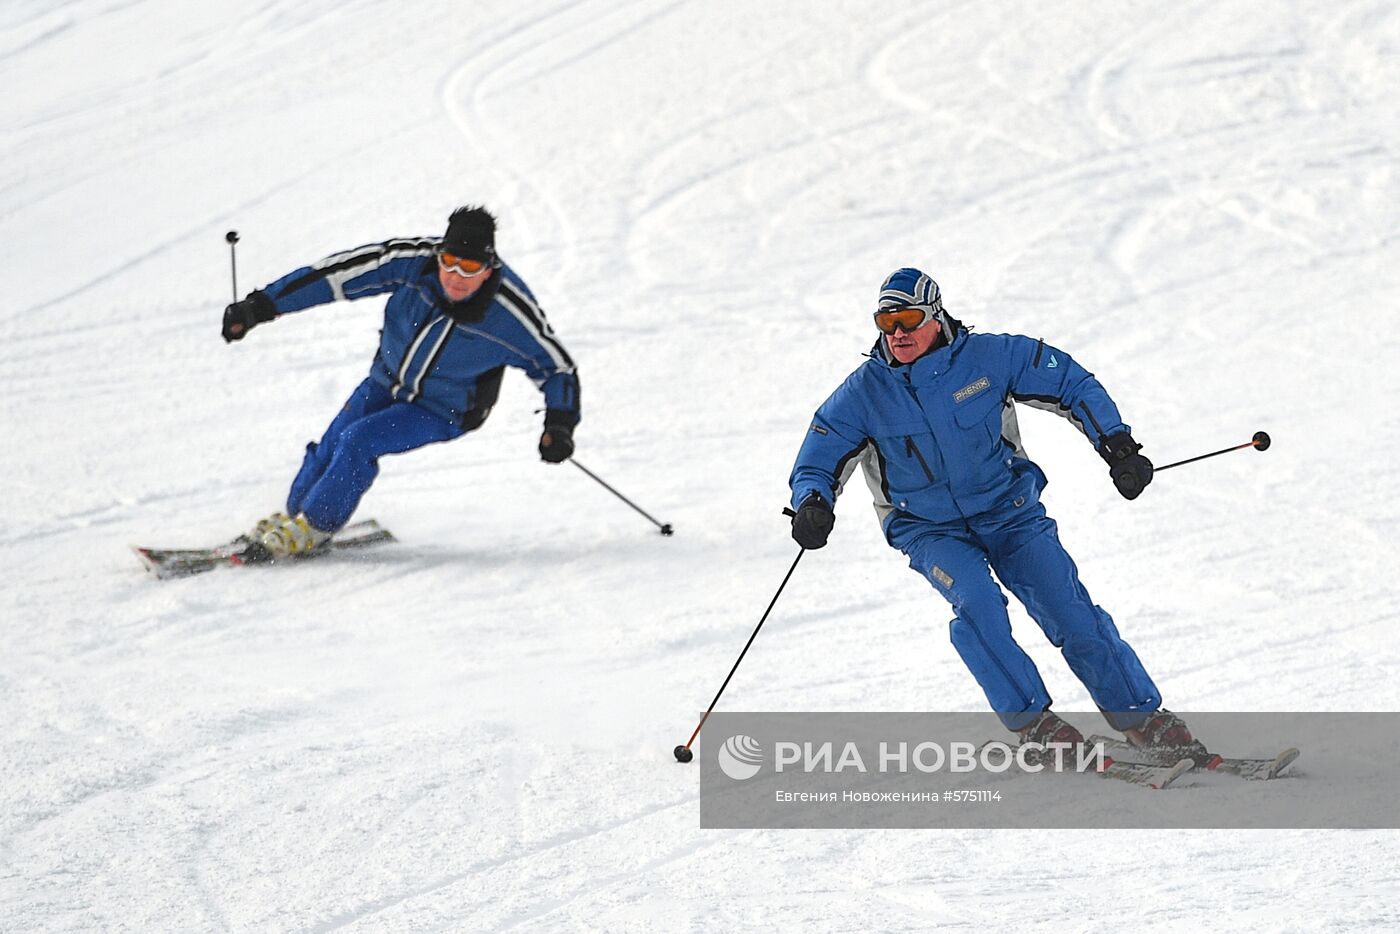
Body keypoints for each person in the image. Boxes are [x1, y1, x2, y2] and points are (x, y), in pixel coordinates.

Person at [787, 267, 1197, 754]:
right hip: (929, 530)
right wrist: (812, 504)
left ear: (936, 316)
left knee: (1071, 611)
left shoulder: (991, 358)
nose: (897, 333)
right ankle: (1034, 726)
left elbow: (1071, 383)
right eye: (885, 321)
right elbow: (817, 459)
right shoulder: (863, 394)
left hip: (1010, 511)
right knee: (978, 605)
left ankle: (1140, 718)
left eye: (909, 319)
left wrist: (1118, 445)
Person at [222, 205, 580, 557]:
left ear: (488, 269)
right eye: (449, 261)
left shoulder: (509, 314)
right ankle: (298, 514)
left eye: (470, 267)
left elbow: (557, 367)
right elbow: (335, 277)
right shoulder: (413, 263)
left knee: (357, 441)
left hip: (445, 409)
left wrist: (559, 424)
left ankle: (316, 526)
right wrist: (261, 307)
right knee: (330, 448)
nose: (456, 275)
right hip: (384, 382)